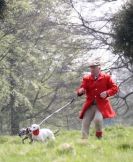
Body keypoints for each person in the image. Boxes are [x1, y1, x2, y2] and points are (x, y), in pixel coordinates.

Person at [76, 60, 119, 139]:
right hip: (90, 105)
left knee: (98, 120)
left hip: (101, 106)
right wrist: (80, 91)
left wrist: (107, 93)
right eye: (91, 68)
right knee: (85, 123)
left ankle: (99, 137)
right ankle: (84, 141)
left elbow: (115, 88)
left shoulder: (106, 77)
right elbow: (82, 88)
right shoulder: (86, 78)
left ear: (99, 68)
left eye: (94, 67)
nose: (92, 69)